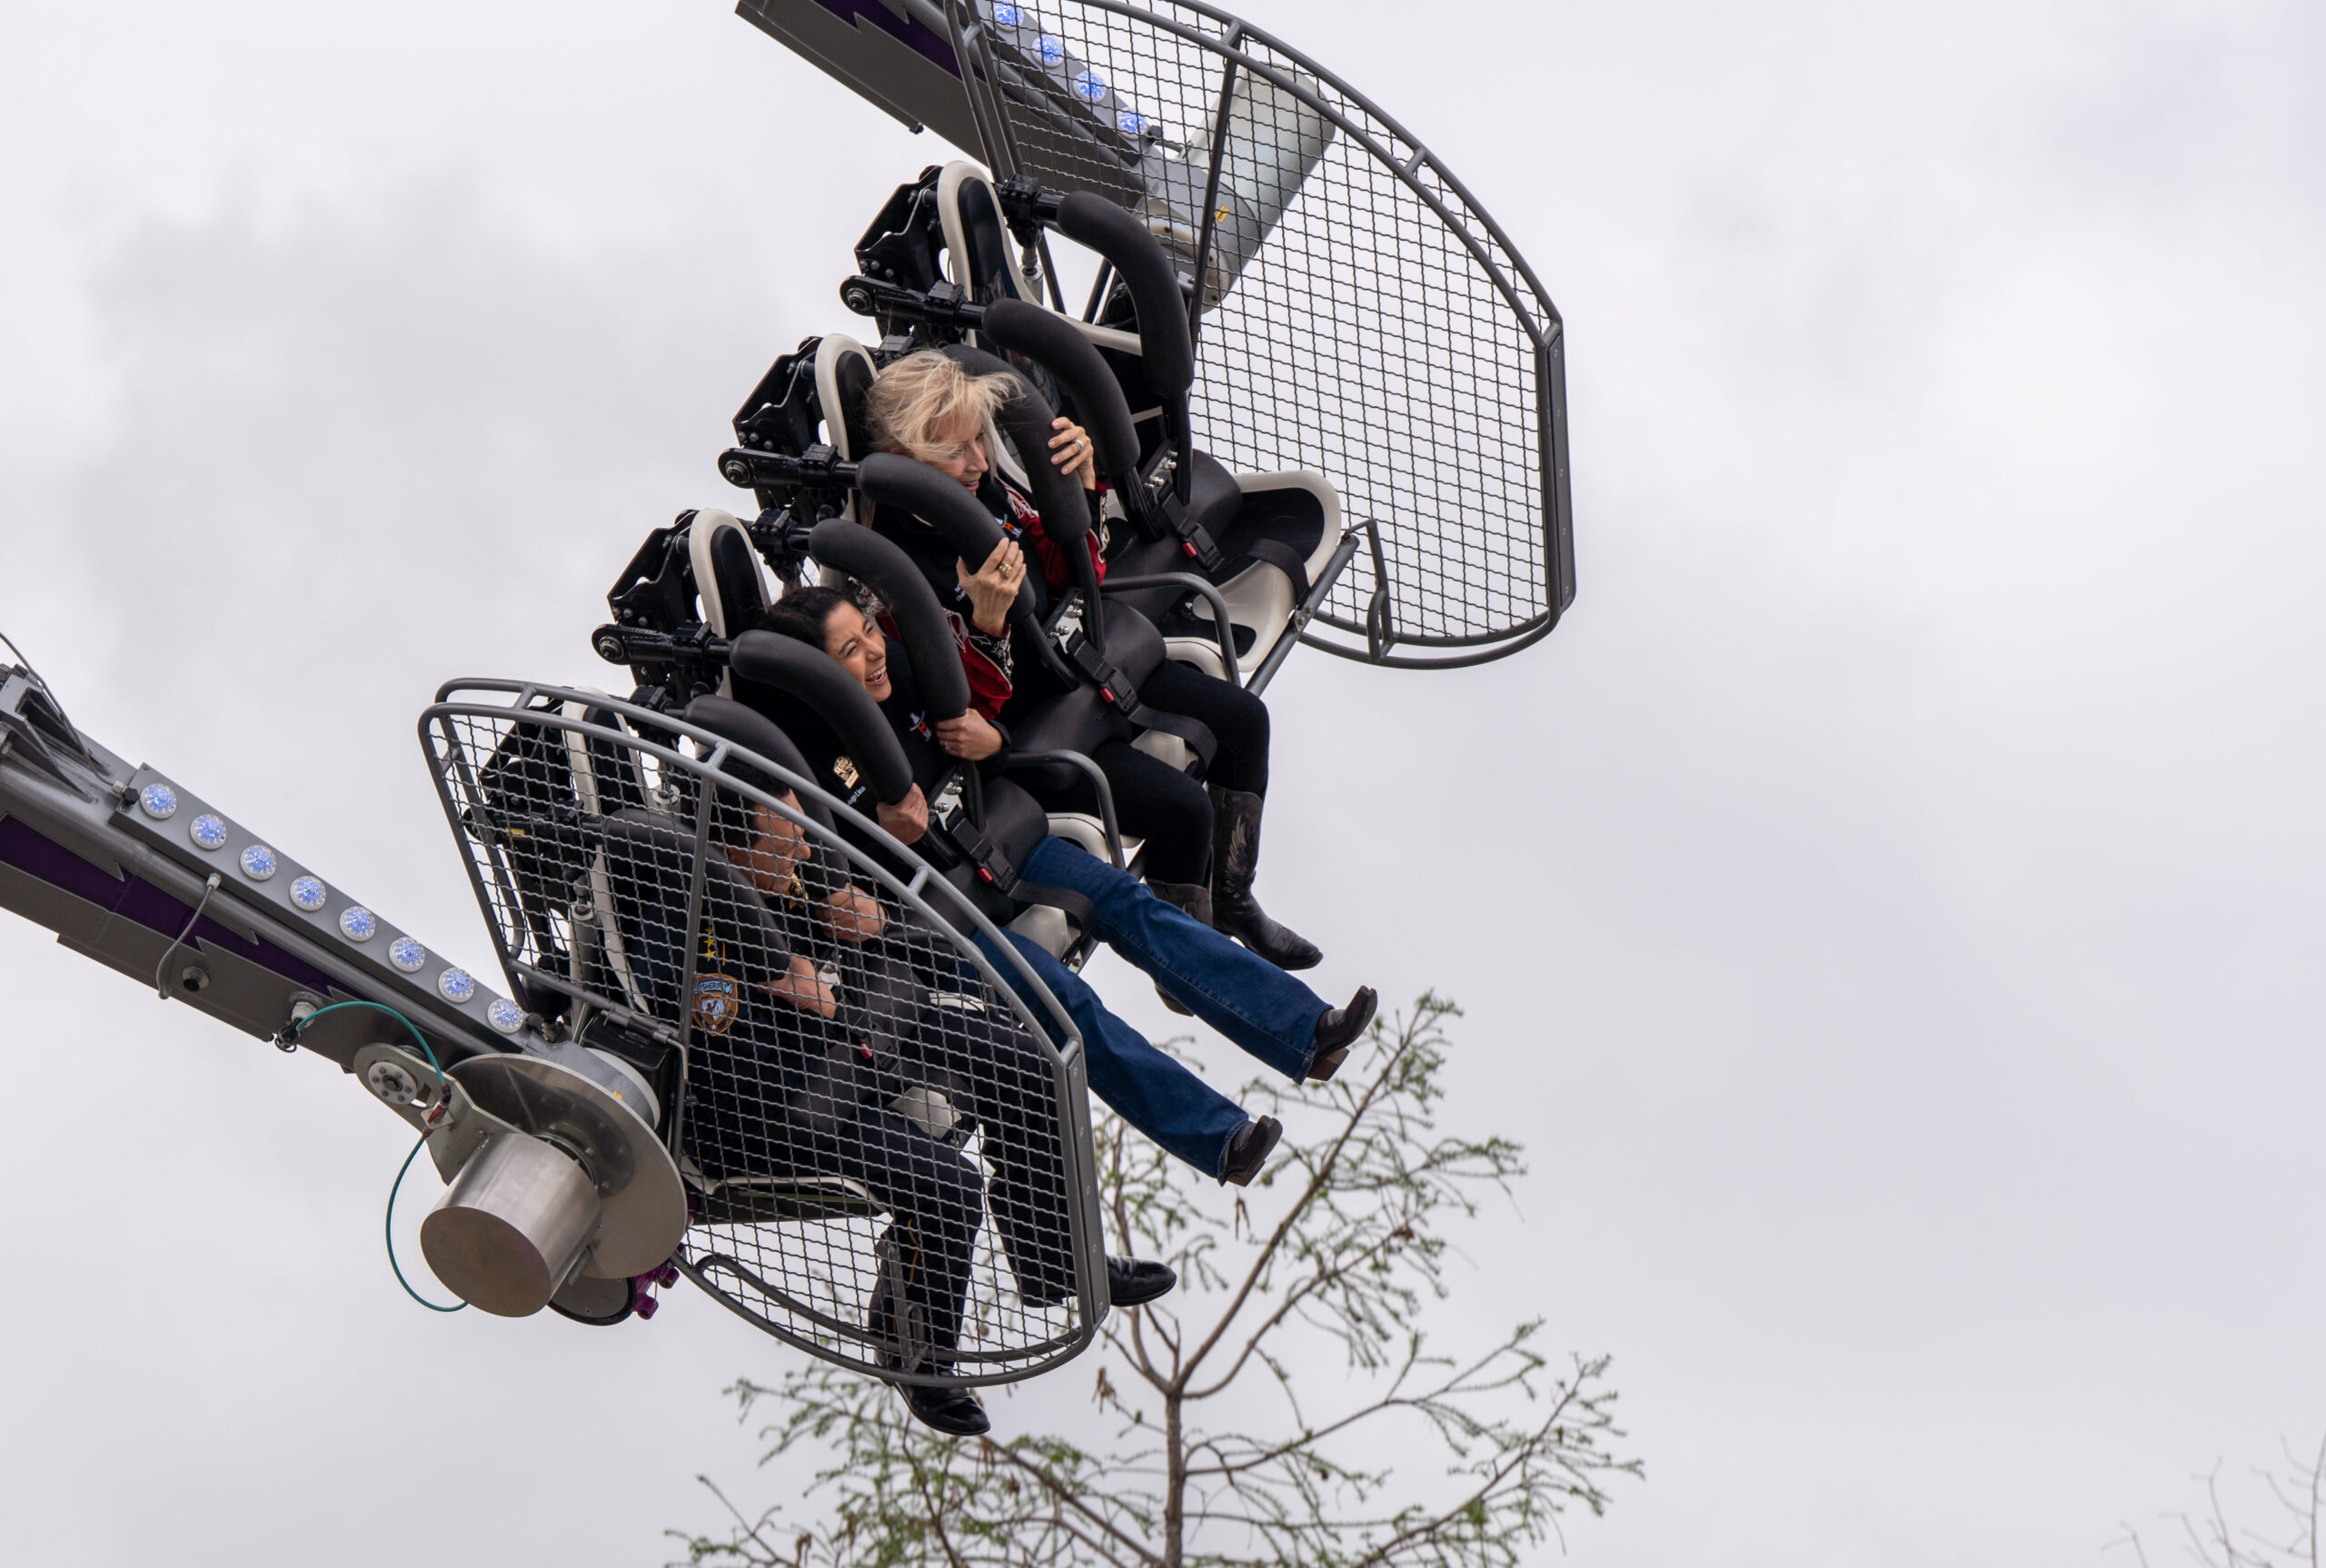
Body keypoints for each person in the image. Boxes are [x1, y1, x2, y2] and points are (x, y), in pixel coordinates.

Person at [748, 586, 1378, 1189]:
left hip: (998, 842)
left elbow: (988, 728)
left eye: (867, 632)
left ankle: (1306, 1030)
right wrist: (876, 836)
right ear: (817, 675)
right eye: (850, 651)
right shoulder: (799, 759)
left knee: (1132, 906)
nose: (873, 651)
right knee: (1065, 1004)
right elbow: (806, 884)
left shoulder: (904, 667)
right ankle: (1220, 1139)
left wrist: (992, 742)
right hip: (937, 918)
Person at [860, 348, 1318, 974]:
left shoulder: (979, 485)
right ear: (902, 461)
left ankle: (1233, 900)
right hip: (1030, 728)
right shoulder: (889, 570)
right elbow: (953, 715)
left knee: (1245, 721)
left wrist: (1079, 491)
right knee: (1184, 812)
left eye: (978, 441)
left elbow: (1076, 575)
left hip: (1081, 663)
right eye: (954, 452)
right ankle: (1197, 971)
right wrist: (988, 622)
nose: (978, 462)